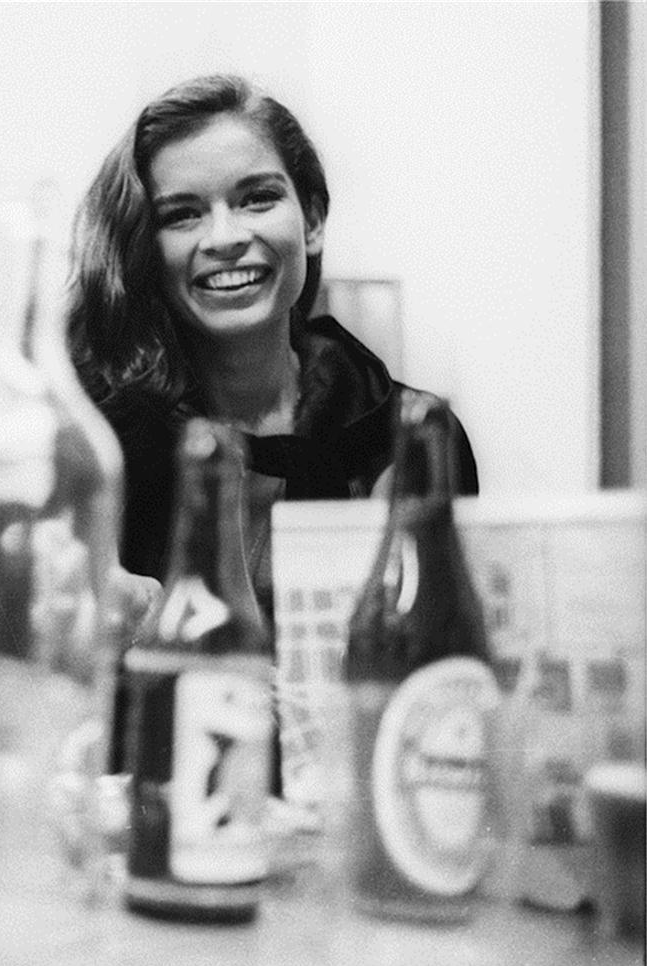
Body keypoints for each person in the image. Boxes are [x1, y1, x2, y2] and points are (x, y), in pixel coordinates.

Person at [68, 74, 479, 614]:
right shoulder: (93, 447)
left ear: (311, 220)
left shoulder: (414, 441)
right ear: (146, 248)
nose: (225, 238)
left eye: (257, 199)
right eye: (182, 214)